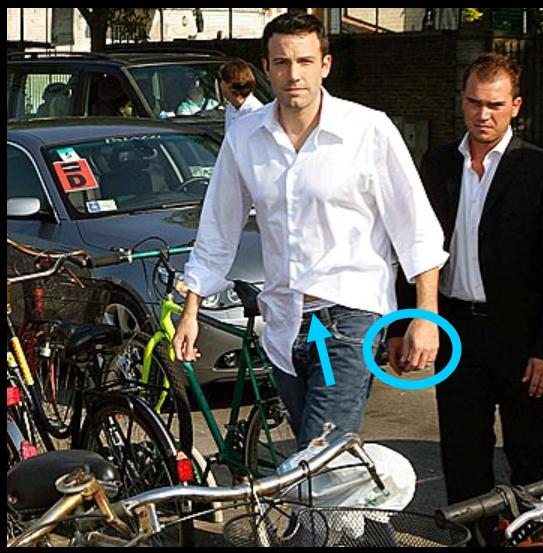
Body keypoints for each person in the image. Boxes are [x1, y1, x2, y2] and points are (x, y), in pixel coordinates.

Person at [173, 13, 448, 450]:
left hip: (349, 315)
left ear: (325, 65)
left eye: (305, 61)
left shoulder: (367, 130)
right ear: (266, 68)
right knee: (316, 462)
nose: (294, 74)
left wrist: (425, 317)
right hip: (282, 321)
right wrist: (191, 310)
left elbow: (415, 227)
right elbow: (217, 229)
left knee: (319, 458)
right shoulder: (245, 136)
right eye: (282, 62)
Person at [387, 53, 543, 505]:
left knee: (529, 458)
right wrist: (402, 325)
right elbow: (414, 248)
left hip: (522, 336)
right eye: (475, 102)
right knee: (462, 455)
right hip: (455, 330)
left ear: (515, 105)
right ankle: (472, 536)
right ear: (462, 101)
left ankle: (533, 533)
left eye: (495, 105)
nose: (483, 114)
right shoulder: (438, 163)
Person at [218, 58, 264, 131]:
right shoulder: (231, 107)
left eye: (222, 80)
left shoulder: (256, 113)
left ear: (230, 84)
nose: (220, 84)